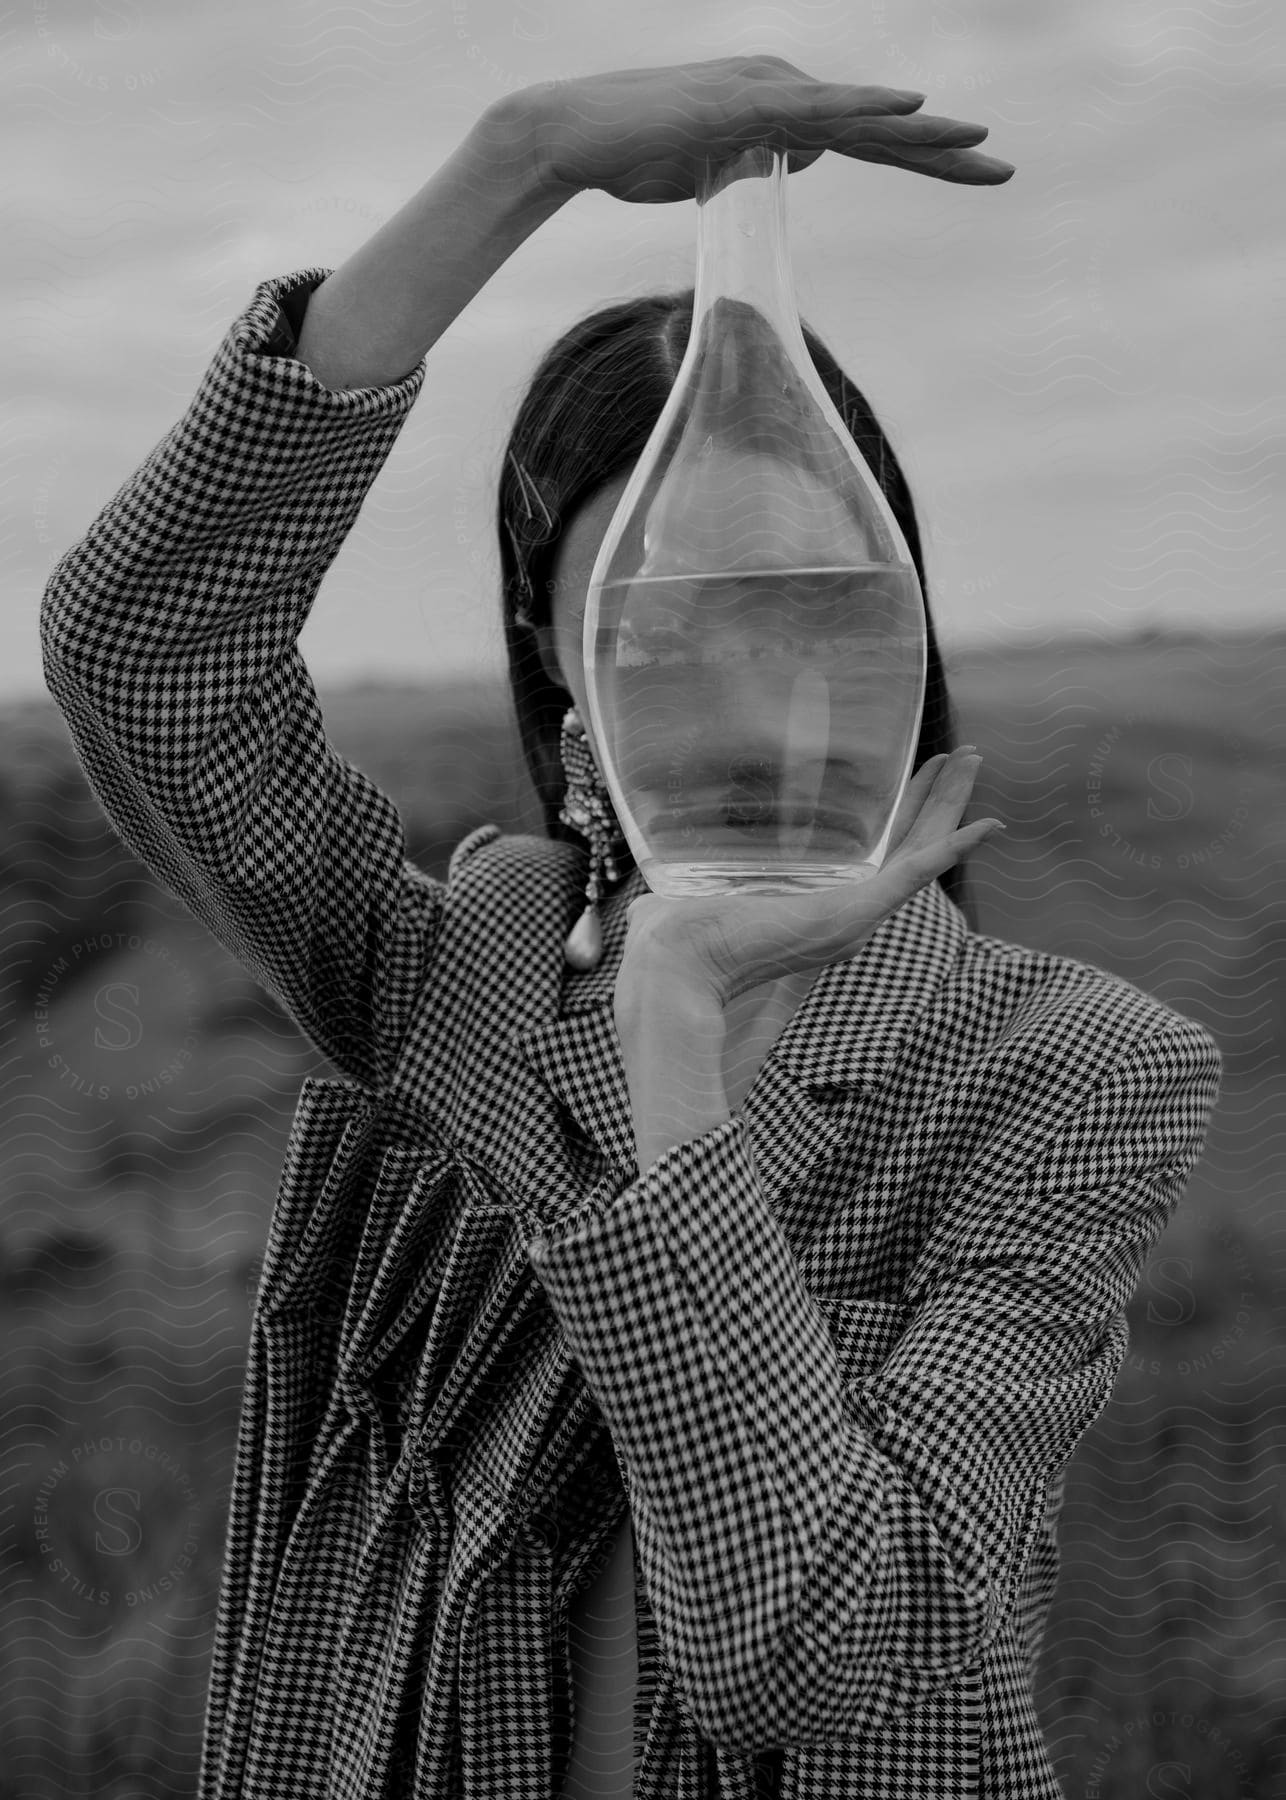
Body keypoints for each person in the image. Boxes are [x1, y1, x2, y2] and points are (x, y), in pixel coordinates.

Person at [38, 57, 1221, 1800]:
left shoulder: (1067, 1073)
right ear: (565, 675)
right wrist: (514, 160)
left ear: (895, 619)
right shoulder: (458, 972)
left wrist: (675, 1052)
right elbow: (148, 658)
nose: (748, 680)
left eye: (803, 597)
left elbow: (816, 1663)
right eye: (659, 612)